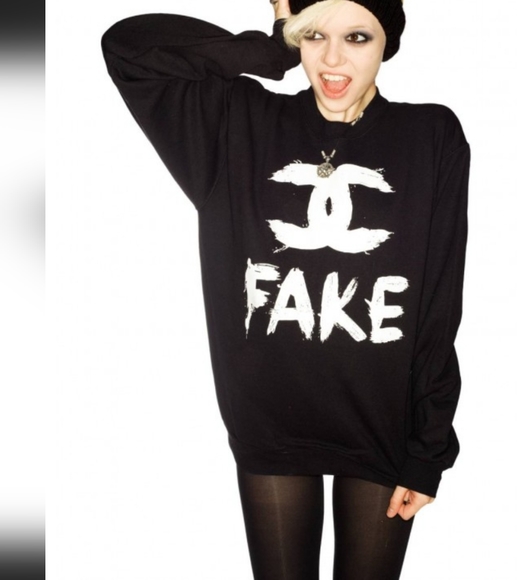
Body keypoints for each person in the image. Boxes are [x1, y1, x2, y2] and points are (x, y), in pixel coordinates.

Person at [102, 0, 470, 578]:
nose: (332, 59)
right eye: (314, 35)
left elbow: (439, 301)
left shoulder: (431, 135)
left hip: (383, 425)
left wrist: (429, 449)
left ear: (387, 42)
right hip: (271, 422)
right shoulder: (236, 122)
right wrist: (274, 45)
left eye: (357, 37)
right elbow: (129, 48)